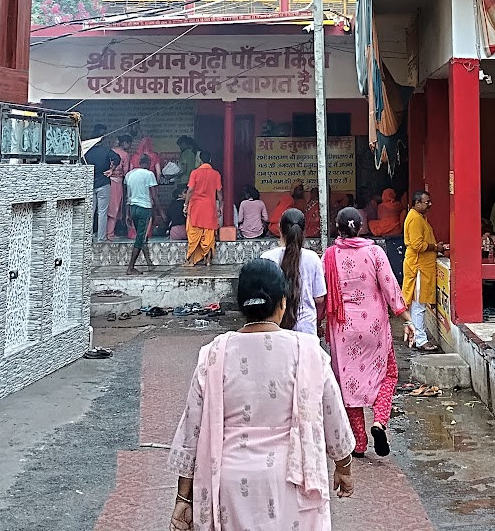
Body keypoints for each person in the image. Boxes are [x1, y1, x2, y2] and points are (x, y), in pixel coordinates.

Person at [167, 259, 355, 531]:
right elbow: (333, 417)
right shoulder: (309, 352)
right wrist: (344, 467)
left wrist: (184, 497)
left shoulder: (214, 354)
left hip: (230, 487)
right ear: (282, 303)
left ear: (241, 304)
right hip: (294, 485)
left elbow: (192, 431)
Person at [322, 207, 407, 458]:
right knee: (388, 374)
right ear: (360, 226)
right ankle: (379, 421)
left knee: (349, 386)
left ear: (337, 228)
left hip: (343, 328)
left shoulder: (329, 256)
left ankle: (359, 443)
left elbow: (324, 294)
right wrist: (407, 318)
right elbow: (390, 287)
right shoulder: (375, 252)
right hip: (374, 327)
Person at [264, 207, 328, 335]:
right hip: (306, 329)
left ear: (280, 230)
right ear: (303, 231)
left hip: (274, 329)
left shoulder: (267, 258)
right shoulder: (313, 258)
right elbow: (319, 298)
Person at [401, 190, 444, 353]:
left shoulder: (419, 218)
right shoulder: (414, 219)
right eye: (426, 202)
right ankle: (421, 340)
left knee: (416, 305)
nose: (429, 204)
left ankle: (415, 335)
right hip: (418, 267)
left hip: (421, 266)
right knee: (419, 305)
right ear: (417, 203)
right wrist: (435, 247)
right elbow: (418, 245)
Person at [184, 154, 223, 267]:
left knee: (194, 233)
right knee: (209, 235)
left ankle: (191, 261)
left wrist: (186, 204)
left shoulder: (194, 173)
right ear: (210, 160)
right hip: (210, 207)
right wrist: (220, 205)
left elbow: (190, 190)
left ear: (200, 159)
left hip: (196, 207)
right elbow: (219, 191)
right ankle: (208, 260)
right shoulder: (216, 174)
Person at [123, 157, 158, 274]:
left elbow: (127, 195)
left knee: (141, 236)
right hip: (144, 208)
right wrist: (161, 212)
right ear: (148, 163)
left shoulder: (129, 175)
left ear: (139, 163)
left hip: (133, 208)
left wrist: (127, 214)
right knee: (140, 238)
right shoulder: (149, 174)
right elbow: (154, 195)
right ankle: (131, 267)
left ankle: (149, 263)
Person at [81, 124, 112, 241]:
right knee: (102, 213)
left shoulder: (86, 151)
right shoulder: (106, 150)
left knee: (90, 212)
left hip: (90, 184)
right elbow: (117, 158)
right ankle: (101, 238)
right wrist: (111, 170)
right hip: (103, 183)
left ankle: (87, 238)